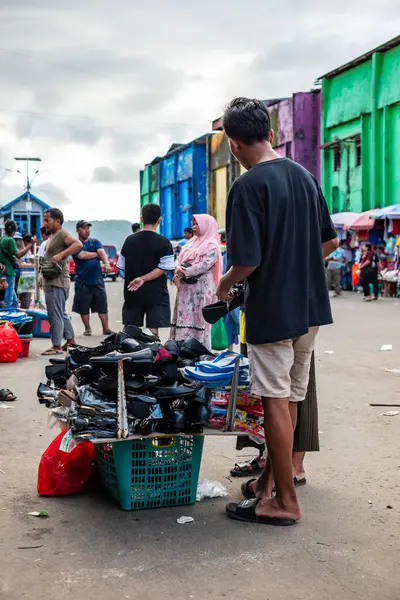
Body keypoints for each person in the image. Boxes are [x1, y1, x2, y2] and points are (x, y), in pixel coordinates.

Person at [217, 97, 338, 526]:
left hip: (273, 311)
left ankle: (285, 502)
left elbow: (246, 261)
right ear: (269, 131)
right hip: (310, 310)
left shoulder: (248, 186)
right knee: (292, 400)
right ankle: (266, 487)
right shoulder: (304, 176)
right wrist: (298, 265)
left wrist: (225, 284)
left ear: (234, 144)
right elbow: (329, 241)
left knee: (274, 403)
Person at [118, 203, 174, 336]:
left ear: (141, 219)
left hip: (133, 292)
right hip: (156, 294)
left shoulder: (129, 240)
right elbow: (164, 268)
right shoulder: (164, 242)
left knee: (129, 329)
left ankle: (127, 353)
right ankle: (152, 354)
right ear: (159, 220)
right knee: (152, 330)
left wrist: (134, 278)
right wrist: (143, 279)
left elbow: (121, 267)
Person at [170, 214, 222, 348]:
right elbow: (178, 258)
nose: (194, 227)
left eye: (197, 224)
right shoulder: (191, 242)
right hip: (186, 290)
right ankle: (182, 350)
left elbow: (205, 264)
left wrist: (184, 271)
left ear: (206, 225)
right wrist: (177, 268)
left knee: (198, 322)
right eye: (193, 224)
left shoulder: (212, 245)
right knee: (184, 319)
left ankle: (196, 351)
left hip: (201, 291)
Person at [41, 208, 82, 355]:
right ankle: (70, 340)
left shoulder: (62, 234)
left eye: (48, 220)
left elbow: (78, 244)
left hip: (57, 282)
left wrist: (60, 255)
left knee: (55, 314)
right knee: (61, 312)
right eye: (44, 219)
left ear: (57, 221)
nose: (44, 223)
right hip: (52, 281)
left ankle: (56, 346)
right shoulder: (53, 236)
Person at [72, 220, 113, 336]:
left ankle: (106, 328)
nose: (87, 231)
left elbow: (102, 252)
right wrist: (96, 254)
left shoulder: (95, 242)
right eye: (84, 228)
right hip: (82, 282)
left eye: (88, 228)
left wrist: (106, 263)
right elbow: (81, 255)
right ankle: (88, 328)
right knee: (83, 307)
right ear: (78, 230)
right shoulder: (75, 244)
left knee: (102, 306)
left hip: (97, 280)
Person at [0, 220, 35, 308]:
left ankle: (15, 313)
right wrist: (30, 245)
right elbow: (18, 255)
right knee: (9, 298)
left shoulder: (2, 239)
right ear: (14, 231)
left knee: (14, 298)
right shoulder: (10, 240)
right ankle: (7, 317)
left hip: (5, 271)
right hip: (9, 272)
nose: (17, 242)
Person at [17, 234, 35, 309]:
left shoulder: (26, 250)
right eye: (15, 240)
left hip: (26, 276)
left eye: (18, 240)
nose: (17, 242)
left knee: (26, 296)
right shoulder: (16, 250)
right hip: (17, 275)